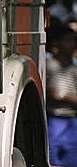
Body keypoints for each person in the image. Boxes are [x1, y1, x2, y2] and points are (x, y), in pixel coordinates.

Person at [48, 25, 77, 167]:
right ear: (58, 42)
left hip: (72, 120)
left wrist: (62, 97)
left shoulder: (74, 68)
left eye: (73, 40)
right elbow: (52, 95)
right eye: (67, 40)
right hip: (55, 120)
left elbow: (59, 95)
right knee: (53, 159)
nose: (70, 44)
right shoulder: (50, 65)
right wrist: (67, 98)